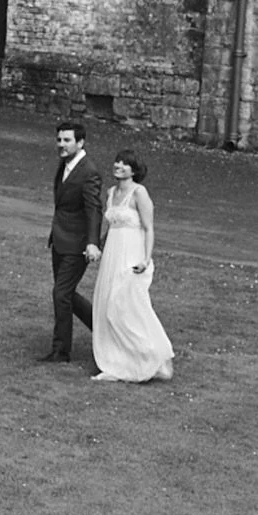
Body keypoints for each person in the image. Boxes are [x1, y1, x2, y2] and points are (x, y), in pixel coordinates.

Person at [90, 150, 174, 382]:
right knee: (107, 303)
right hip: (112, 255)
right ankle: (117, 359)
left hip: (132, 253)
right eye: (117, 161)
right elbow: (113, 226)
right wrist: (97, 246)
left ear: (134, 170)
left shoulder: (140, 193)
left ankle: (152, 355)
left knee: (127, 305)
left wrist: (146, 259)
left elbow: (148, 228)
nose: (118, 165)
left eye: (125, 164)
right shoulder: (111, 192)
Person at [41, 121, 102, 364]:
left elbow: (94, 209)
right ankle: (103, 330)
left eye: (67, 141)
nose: (61, 145)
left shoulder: (89, 171)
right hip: (59, 240)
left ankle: (61, 351)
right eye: (59, 140)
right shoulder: (65, 165)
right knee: (66, 294)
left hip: (77, 244)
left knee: (61, 293)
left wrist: (92, 242)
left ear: (80, 142)